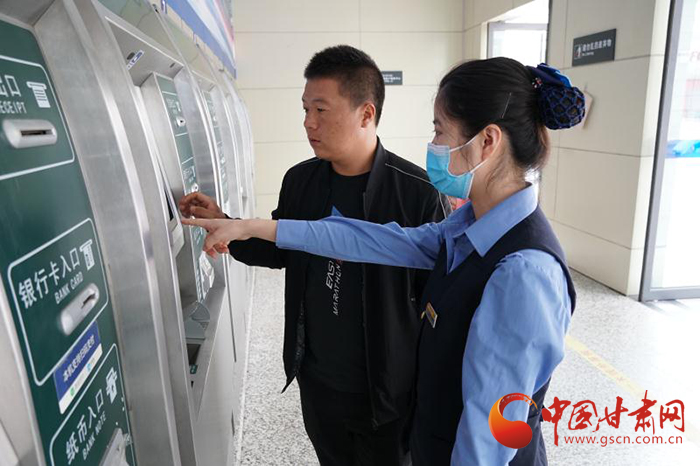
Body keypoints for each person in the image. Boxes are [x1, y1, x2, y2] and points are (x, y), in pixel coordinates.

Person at [183, 58, 585, 465]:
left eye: (439, 130)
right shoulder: (465, 228)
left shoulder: (524, 272)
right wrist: (248, 227)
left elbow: (488, 439)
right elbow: (361, 238)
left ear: (487, 141)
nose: (434, 144)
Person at [179, 45, 447, 465]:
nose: (308, 122)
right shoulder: (301, 181)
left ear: (366, 113)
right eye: (305, 109)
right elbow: (279, 247)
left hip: (388, 392)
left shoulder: (416, 193)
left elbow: (435, 299)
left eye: (321, 110)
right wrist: (226, 222)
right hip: (319, 382)